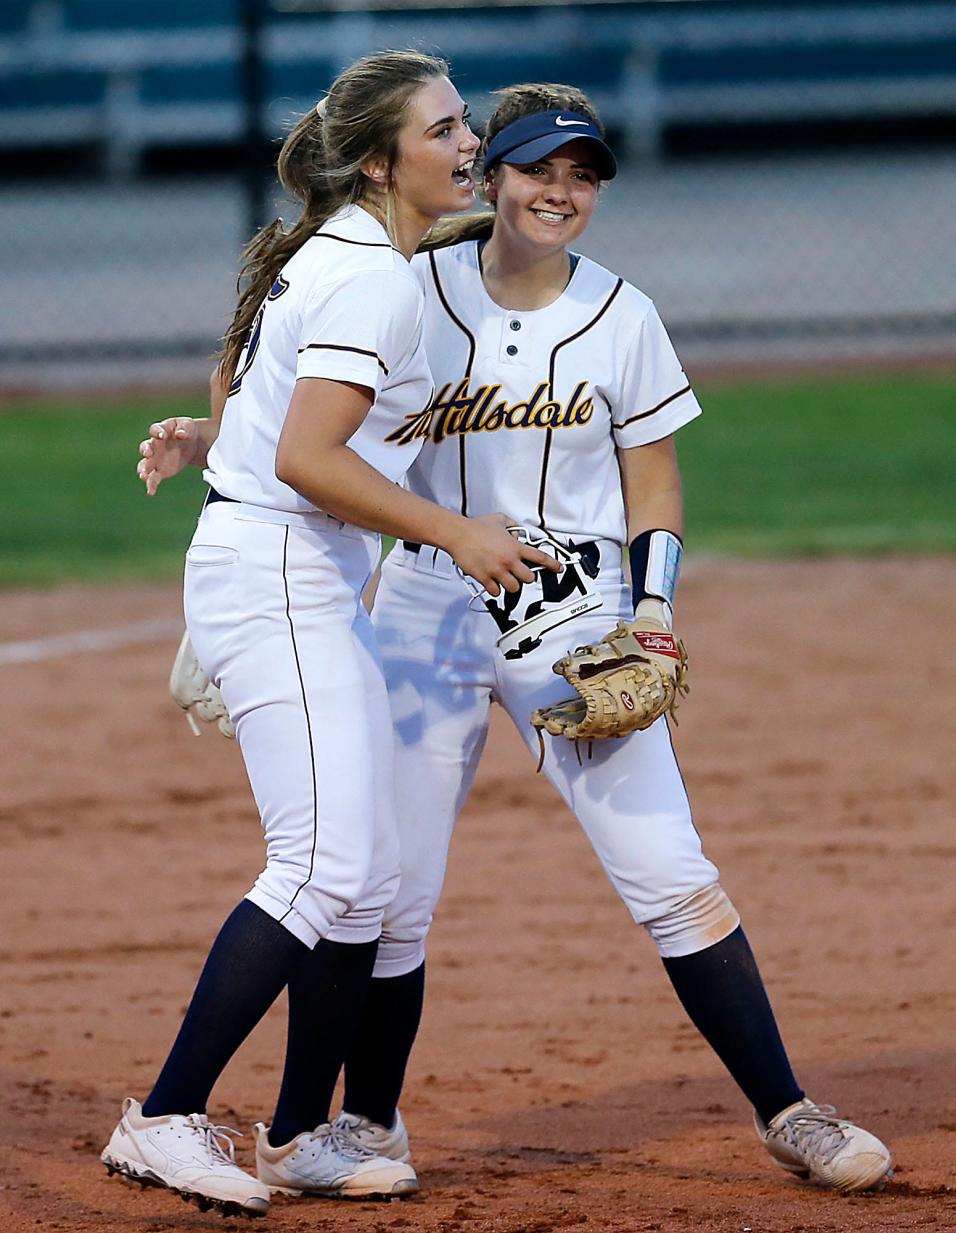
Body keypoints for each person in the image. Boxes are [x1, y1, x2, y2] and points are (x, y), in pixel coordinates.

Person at [137, 83, 894, 1199]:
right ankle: (346, 1129)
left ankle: (791, 1112)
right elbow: (295, 392)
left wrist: (655, 613)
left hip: (570, 617)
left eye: (582, 175)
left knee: (668, 866)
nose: (560, 191)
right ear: (489, 177)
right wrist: (218, 433)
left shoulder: (622, 315)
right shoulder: (408, 282)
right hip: (422, 604)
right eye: (538, 167)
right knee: (380, 884)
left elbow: (655, 480)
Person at [105, 52, 560, 1220]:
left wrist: (221, 443)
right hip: (283, 579)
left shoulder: (344, 253)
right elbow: (311, 456)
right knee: (324, 868)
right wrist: (456, 533)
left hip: (276, 566)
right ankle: (161, 1119)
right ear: (378, 160)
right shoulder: (374, 281)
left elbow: (250, 382)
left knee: (367, 882)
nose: (471, 145)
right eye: (446, 130)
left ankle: (302, 1132)